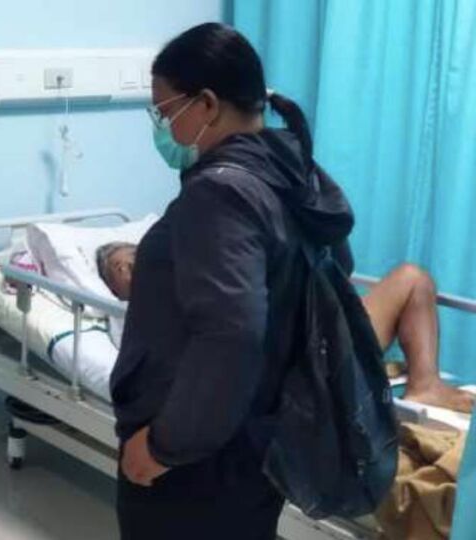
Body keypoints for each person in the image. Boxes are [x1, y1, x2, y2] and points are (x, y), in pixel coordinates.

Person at [108, 22, 358, 538]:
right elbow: (330, 270)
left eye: (164, 111)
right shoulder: (291, 173)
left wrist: (163, 447)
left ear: (206, 105)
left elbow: (231, 334)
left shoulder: (218, 195)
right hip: (255, 442)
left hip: (196, 464)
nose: (161, 127)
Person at [98, 244, 474, 414]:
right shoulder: (143, 321)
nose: (133, 267)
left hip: (320, 333)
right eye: (121, 269)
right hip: (298, 365)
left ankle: (425, 386)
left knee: (412, 278)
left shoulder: (202, 274)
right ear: (115, 291)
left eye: (135, 256)